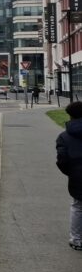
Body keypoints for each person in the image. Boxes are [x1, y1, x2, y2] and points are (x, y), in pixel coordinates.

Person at [55, 101, 82, 250]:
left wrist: (72, 172)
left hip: (77, 175)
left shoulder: (64, 137)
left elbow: (62, 161)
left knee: (78, 206)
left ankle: (77, 240)